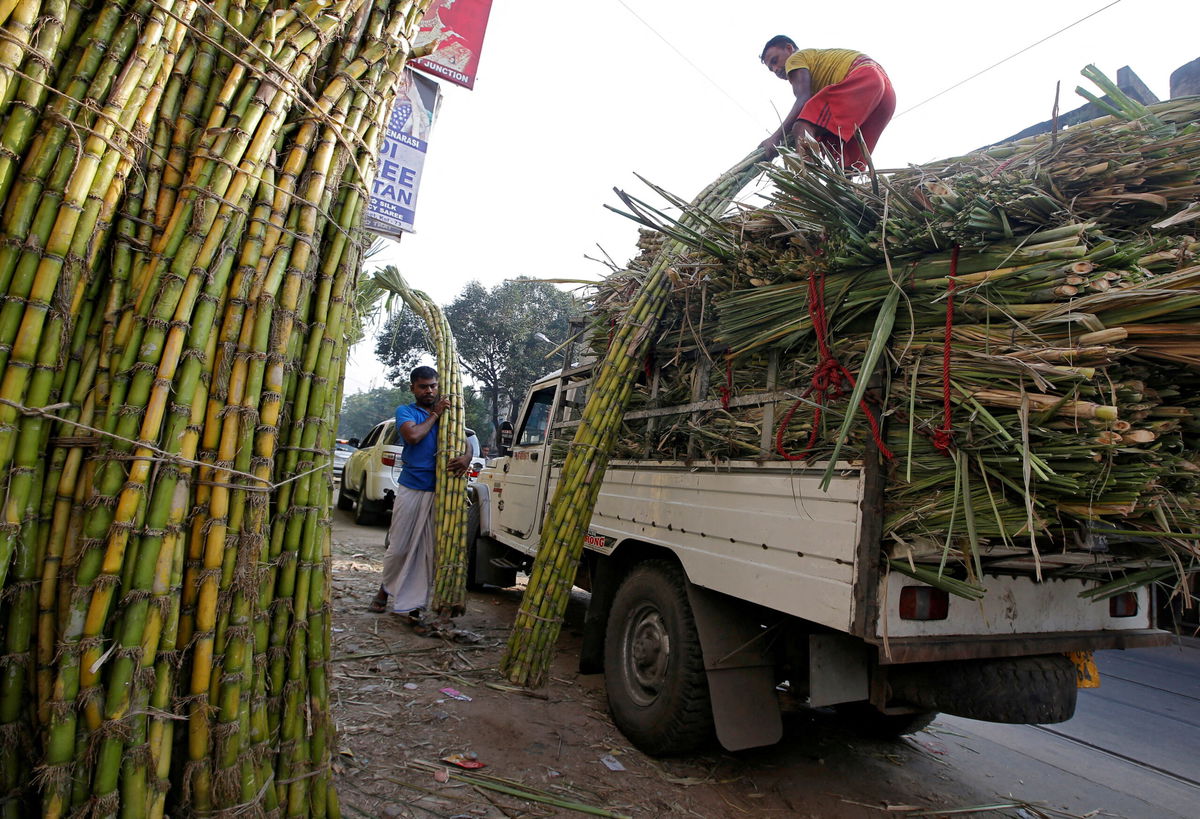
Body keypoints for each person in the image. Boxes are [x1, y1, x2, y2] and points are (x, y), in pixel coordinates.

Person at [369, 366, 472, 618]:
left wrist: (467, 457)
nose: (429, 391)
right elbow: (413, 436)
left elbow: (467, 440)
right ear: (413, 388)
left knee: (427, 551)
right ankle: (385, 588)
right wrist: (435, 414)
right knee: (400, 547)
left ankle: (412, 607)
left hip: (442, 490)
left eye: (433, 386)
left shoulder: (449, 413)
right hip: (412, 486)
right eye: (423, 386)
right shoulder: (406, 411)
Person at [758, 36, 895, 170]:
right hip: (885, 93)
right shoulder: (816, 62)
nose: (775, 69)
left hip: (863, 75)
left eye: (775, 61)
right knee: (847, 162)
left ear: (789, 48)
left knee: (802, 127)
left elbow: (803, 100)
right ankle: (846, 189)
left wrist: (775, 138)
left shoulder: (795, 58)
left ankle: (806, 185)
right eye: (771, 69)